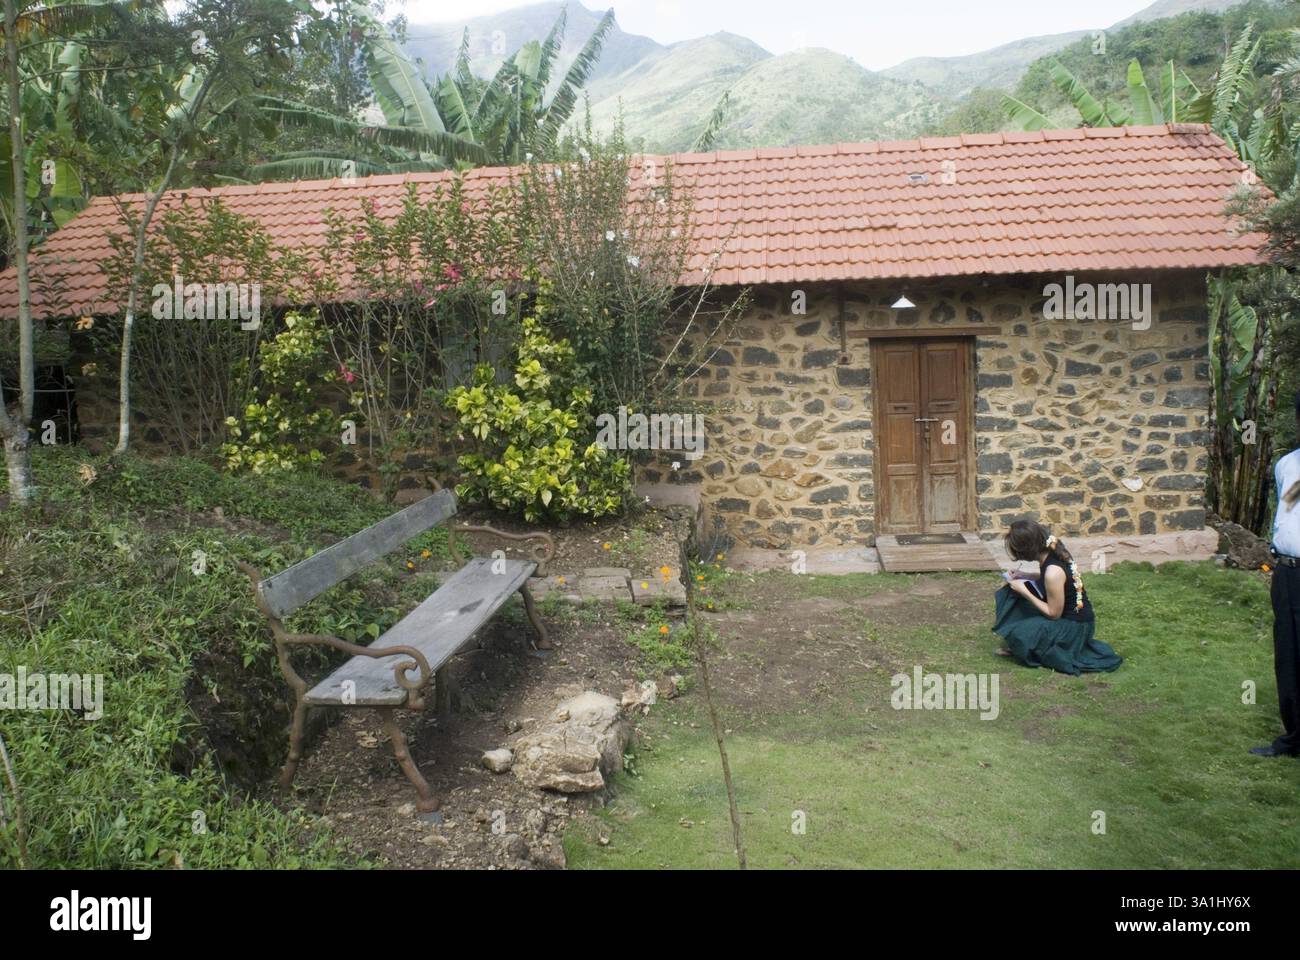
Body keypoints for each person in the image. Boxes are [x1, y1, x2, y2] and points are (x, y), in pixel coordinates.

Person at [991, 519, 1122, 676]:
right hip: (1074, 619)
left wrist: (1024, 590)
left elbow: (1054, 614)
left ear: (1026, 549)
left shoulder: (1053, 572)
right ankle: (1029, 643)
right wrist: (1025, 575)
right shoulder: (1052, 550)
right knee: (1013, 597)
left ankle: (1036, 646)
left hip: (1074, 627)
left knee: (1020, 631)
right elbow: (1053, 580)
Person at [1251, 391, 1300, 758]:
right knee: (1288, 654)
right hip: (1287, 573)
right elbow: (1285, 511)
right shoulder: (1287, 465)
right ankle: (1294, 737)